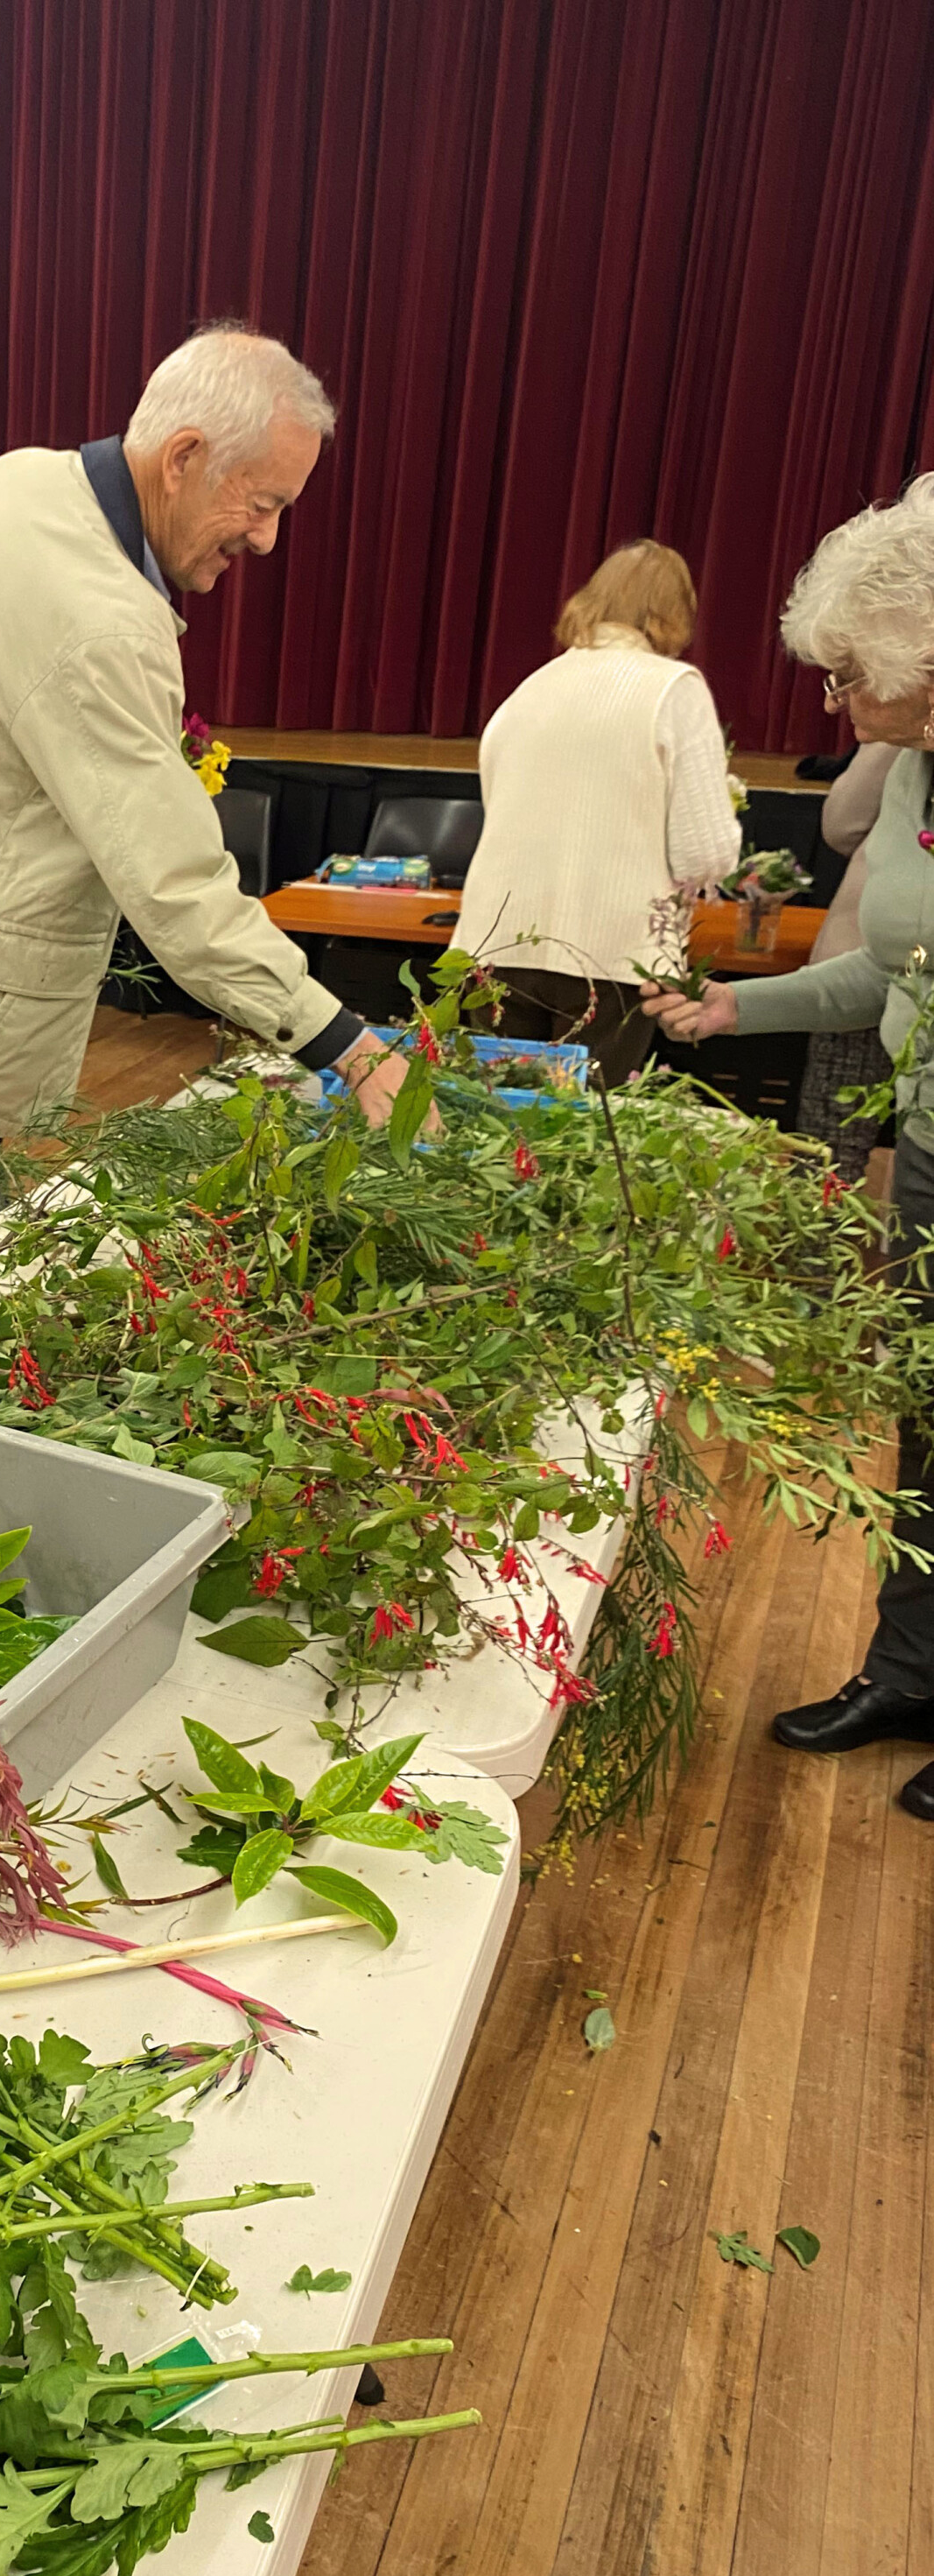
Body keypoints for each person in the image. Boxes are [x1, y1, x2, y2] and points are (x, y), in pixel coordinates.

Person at [0, 325, 418, 1277]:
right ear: (183, 457)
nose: (266, 538)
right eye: (262, 504)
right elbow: (179, 891)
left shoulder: (20, 480)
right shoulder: (99, 621)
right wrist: (347, 1046)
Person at [641, 476, 934, 1820]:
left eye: (851, 675)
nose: (833, 700)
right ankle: (909, 1672)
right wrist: (731, 1010)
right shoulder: (915, 766)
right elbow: (891, 968)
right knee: (922, 1422)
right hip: (925, 1142)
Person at [453, 541, 741, 1086]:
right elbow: (702, 854)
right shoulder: (674, 688)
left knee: (495, 1115)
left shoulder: (529, 688)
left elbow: (500, 811)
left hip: (495, 944)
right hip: (613, 953)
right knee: (585, 1123)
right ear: (676, 612)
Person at [790, 738, 899, 1173]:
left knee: (830, 1153)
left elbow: (843, 824)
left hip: (866, 962)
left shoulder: (907, 719)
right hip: (873, 969)